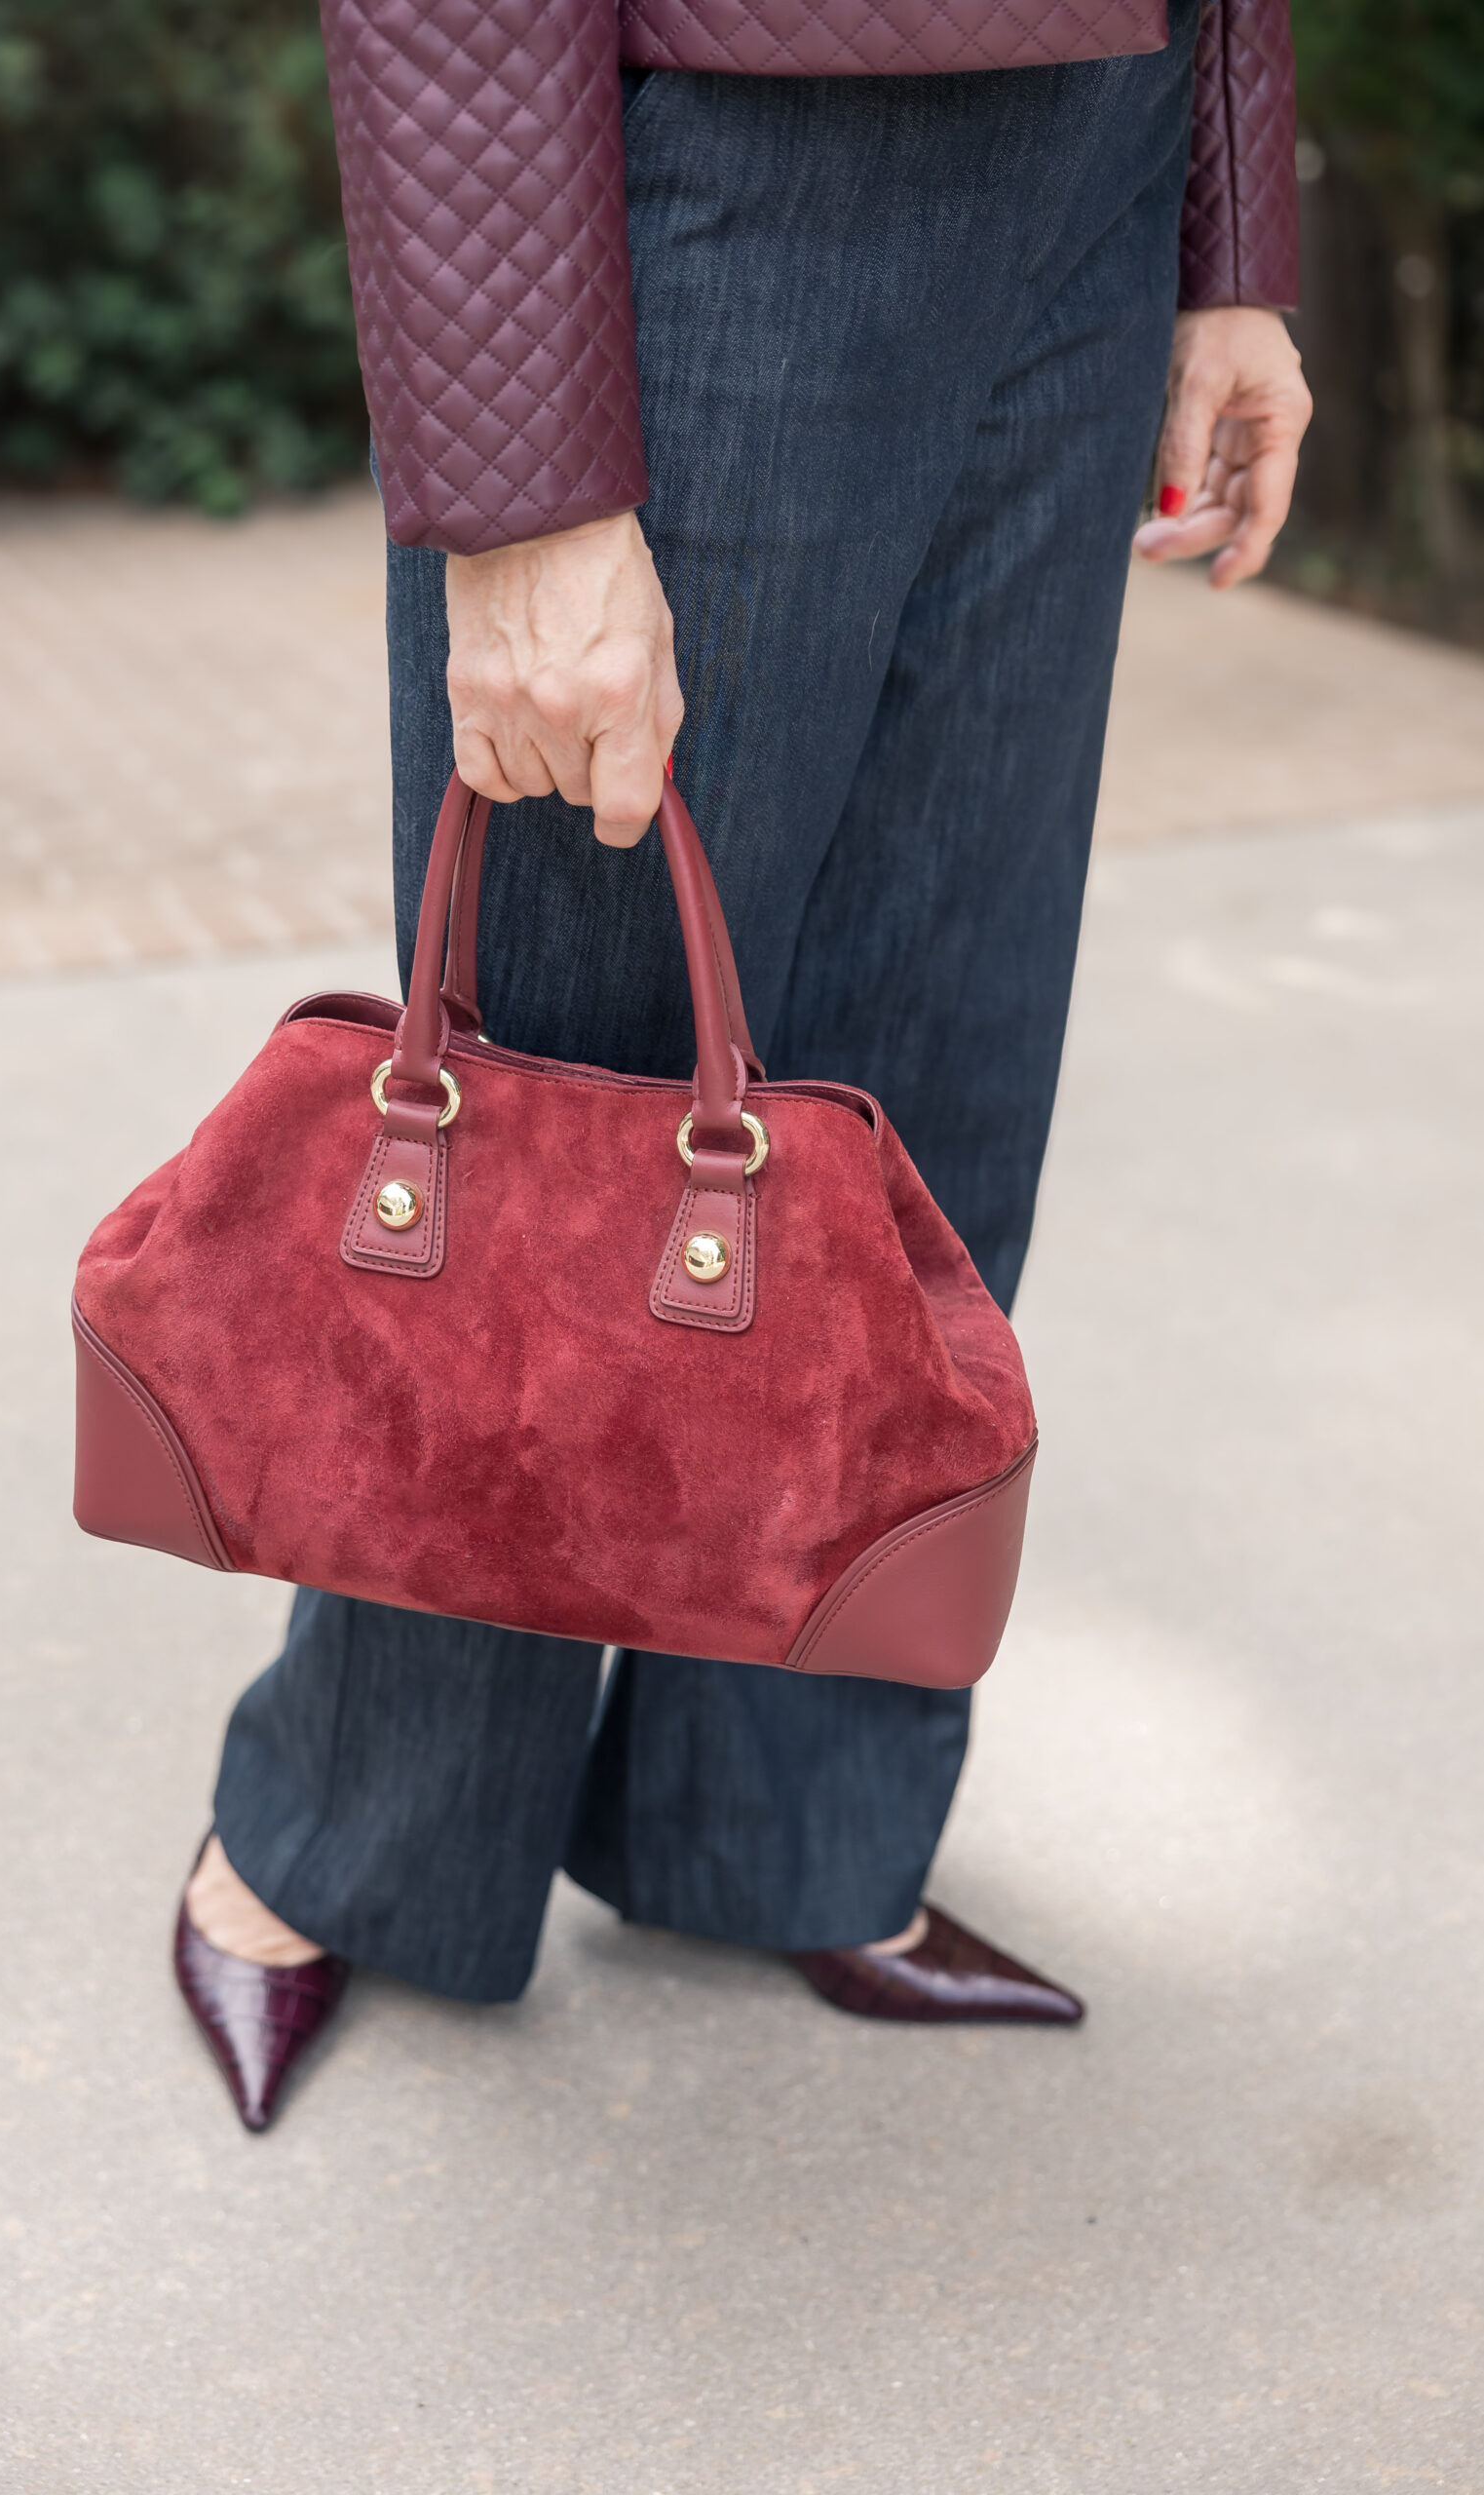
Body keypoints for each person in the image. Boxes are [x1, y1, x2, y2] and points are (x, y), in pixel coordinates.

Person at [172, 0, 1313, 2129]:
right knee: (558, 1110)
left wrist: (1223, 222)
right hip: (727, 155)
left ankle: (783, 1823)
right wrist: (520, 488)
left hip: (1095, 135)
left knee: (931, 1086)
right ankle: (346, 1826)